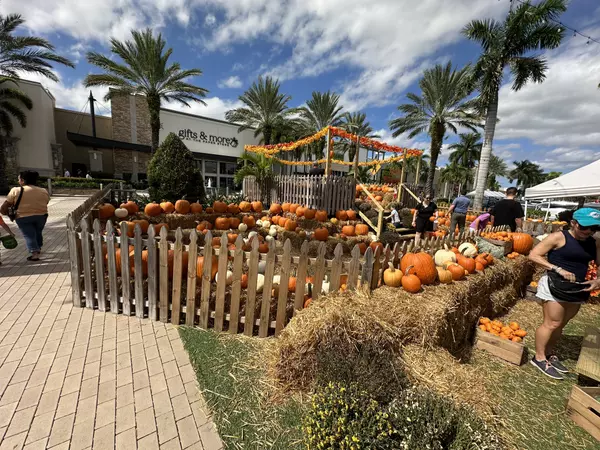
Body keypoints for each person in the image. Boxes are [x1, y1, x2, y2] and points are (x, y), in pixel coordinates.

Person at [528, 208, 600, 380]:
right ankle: (538, 358)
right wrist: (557, 269)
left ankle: (549, 353)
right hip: (555, 285)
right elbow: (534, 255)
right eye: (584, 227)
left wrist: (598, 280)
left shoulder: (594, 242)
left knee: (562, 323)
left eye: (594, 228)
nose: (588, 231)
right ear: (573, 223)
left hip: (577, 288)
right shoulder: (558, 237)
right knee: (552, 323)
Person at [1, 171, 50, 261]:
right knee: (37, 232)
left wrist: (4, 212)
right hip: (41, 216)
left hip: (23, 217)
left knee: (29, 235)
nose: (18, 181)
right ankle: (38, 247)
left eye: (19, 179)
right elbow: (46, 202)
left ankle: (34, 254)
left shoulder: (16, 190)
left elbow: (6, 204)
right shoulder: (43, 190)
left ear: (22, 180)